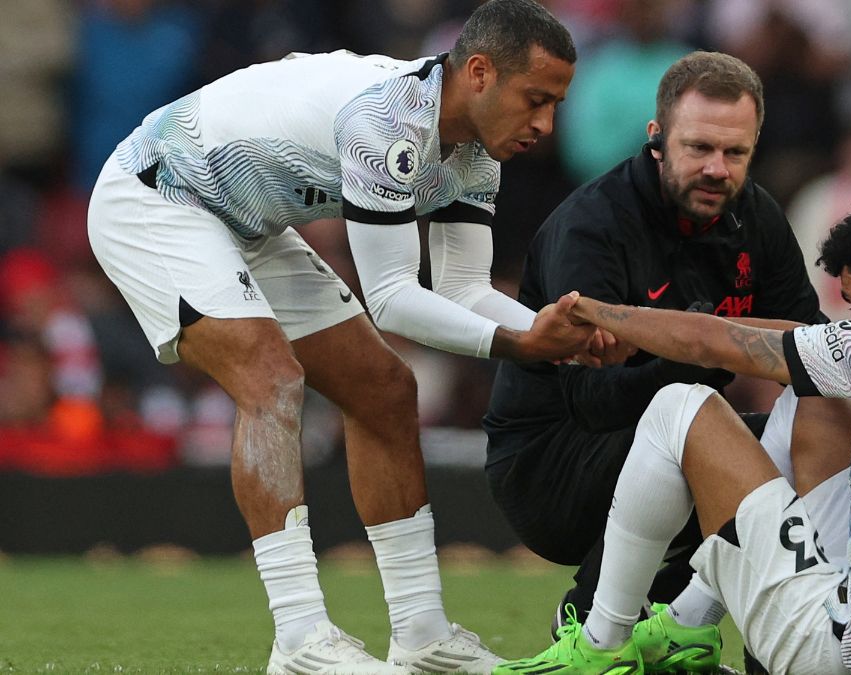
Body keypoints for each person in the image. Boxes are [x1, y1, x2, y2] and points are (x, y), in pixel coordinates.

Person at [86, 1, 591, 672]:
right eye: (535, 99)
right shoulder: (386, 120)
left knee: (384, 389)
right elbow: (392, 300)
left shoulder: (478, 153)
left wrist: (562, 334)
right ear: (478, 73)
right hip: (158, 193)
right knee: (271, 378)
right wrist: (524, 344)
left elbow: (463, 290)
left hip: (246, 219)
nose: (546, 123)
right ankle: (299, 641)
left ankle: (421, 634)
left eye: (555, 103)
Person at [499, 189, 851, 674]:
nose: (850, 319)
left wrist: (598, 312)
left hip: (841, 654)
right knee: (813, 396)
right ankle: (686, 625)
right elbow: (805, 340)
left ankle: (599, 643)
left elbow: (711, 343)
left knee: (678, 407)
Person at [481, 49, 844, 648]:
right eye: (698, 148)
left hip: (663, 434)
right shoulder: (593, 227)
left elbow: (809, 357)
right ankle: (590, 623)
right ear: (657, 139)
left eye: (735, 153)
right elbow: (588, 400)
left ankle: (696, 632)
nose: (717, 170)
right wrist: (692, 354)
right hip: (549, 460)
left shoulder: (757, 219)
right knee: (690, 419)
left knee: (809, 437)